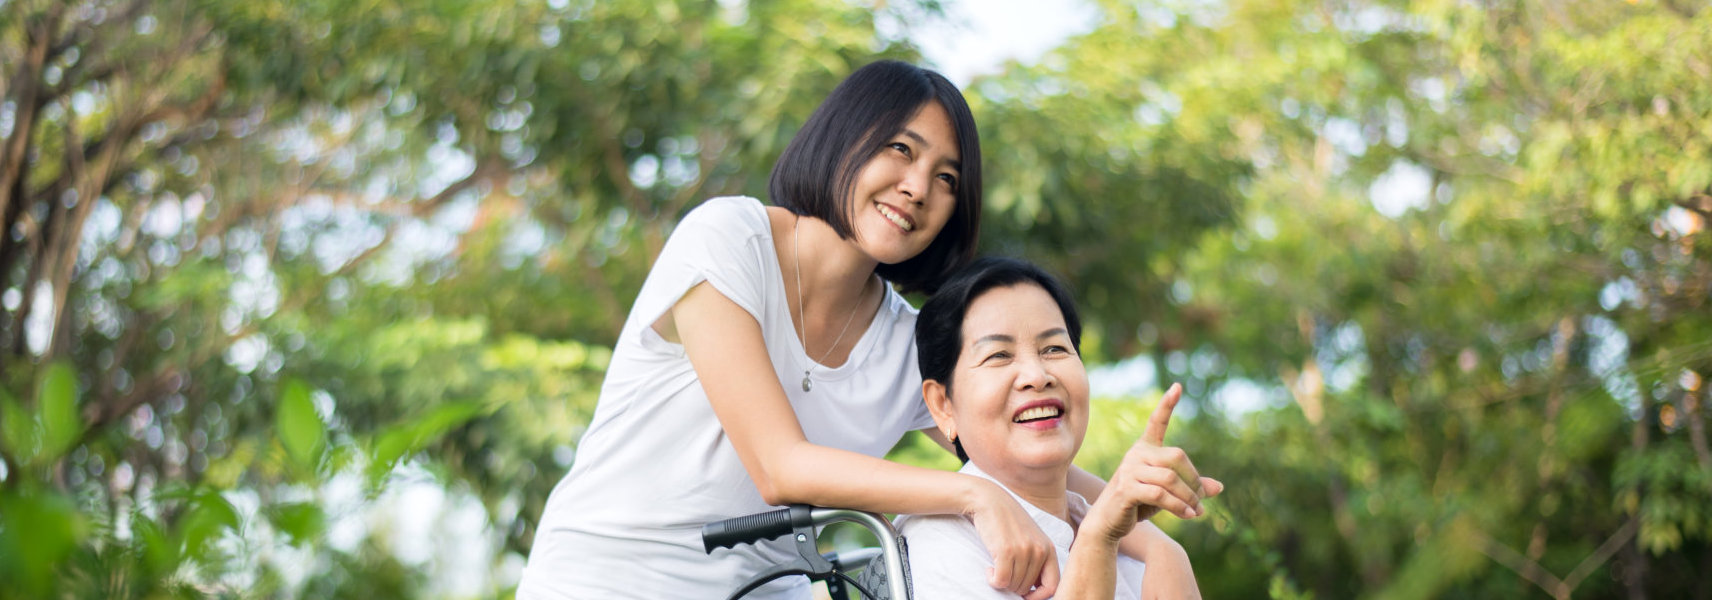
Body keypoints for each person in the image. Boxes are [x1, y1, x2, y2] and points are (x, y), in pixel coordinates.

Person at [518, 61, 1188, 599]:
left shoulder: (904, 343)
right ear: (846, 136)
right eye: (901, 149)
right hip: (599, 580)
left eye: (945, 178)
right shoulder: (727, 240)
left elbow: (1008, 446)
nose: (917, 187)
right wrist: (971, 494)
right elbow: (781, 468)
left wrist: (1147, 535)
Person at [900, 257, 1225, 599]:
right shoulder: (940, 541)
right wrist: (1098, 540)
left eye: (1054, 348)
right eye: (998, 355)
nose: (1037, 376)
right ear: (942, 405)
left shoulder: (1139, 552)